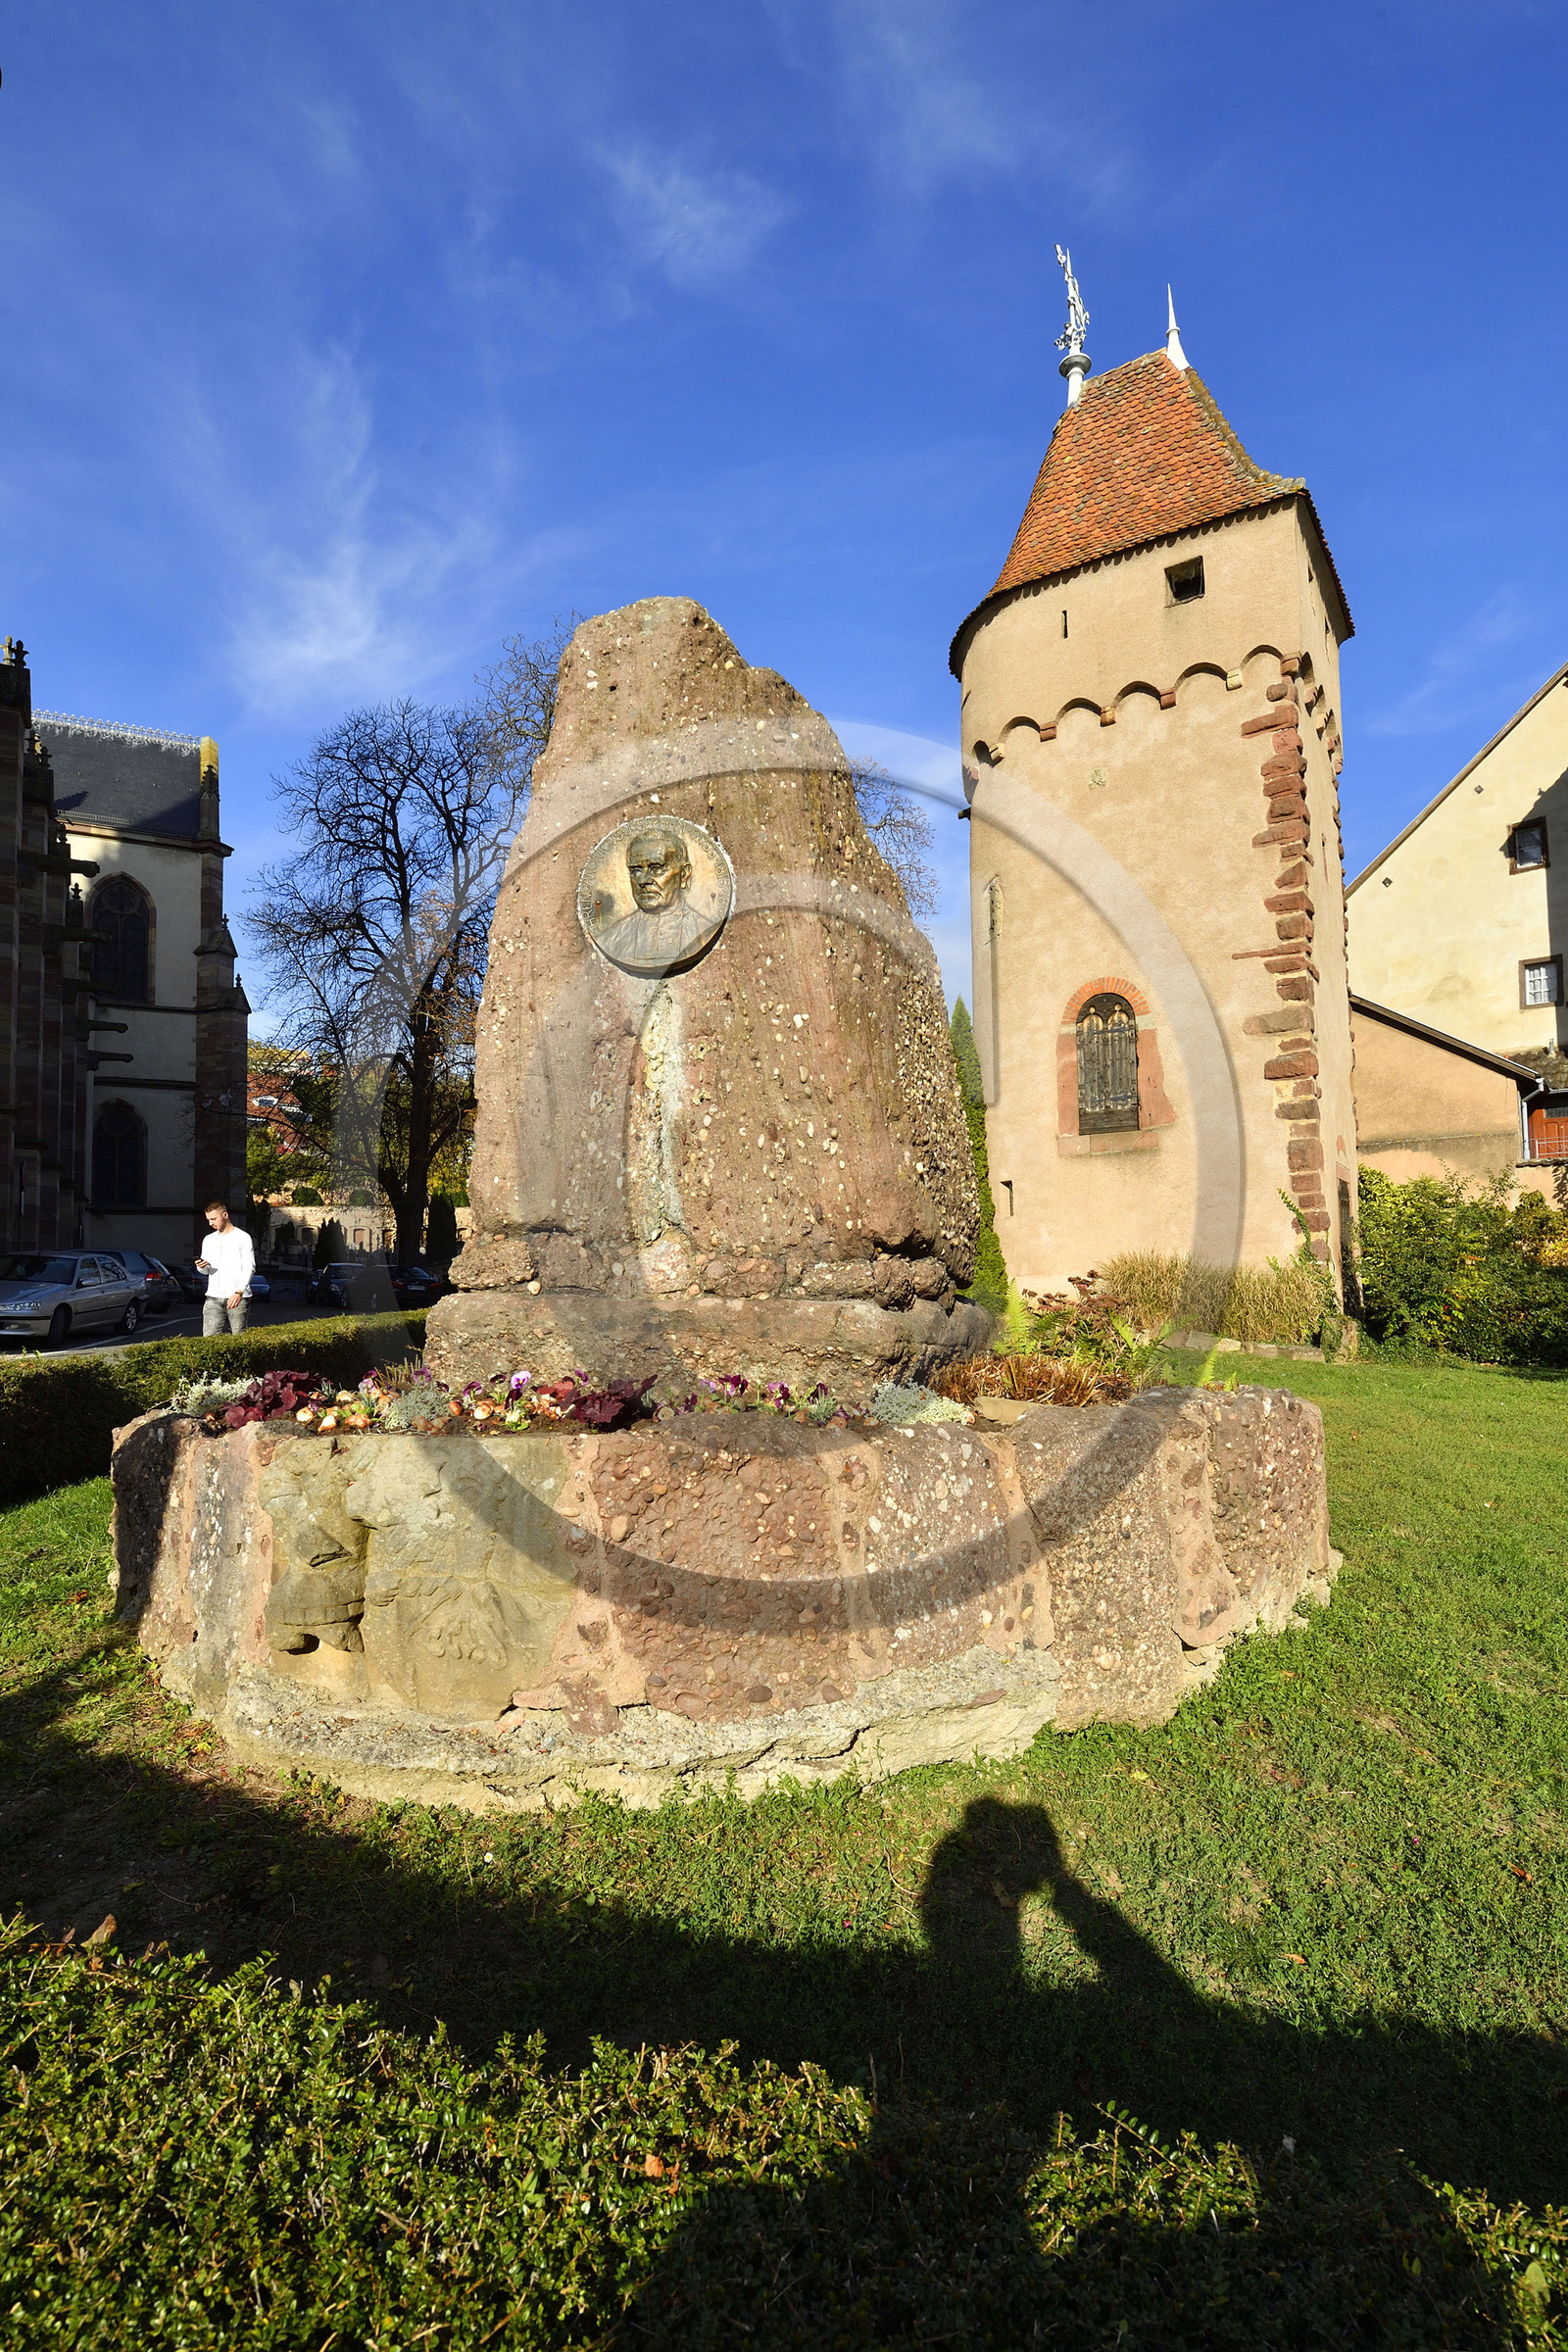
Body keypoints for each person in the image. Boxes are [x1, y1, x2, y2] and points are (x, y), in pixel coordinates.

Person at [598, 826, 721, 972]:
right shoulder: (612, 939)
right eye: (636, 871)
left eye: (656, 869)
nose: (643, 881)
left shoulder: (703, 930)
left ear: (684, 874)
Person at [194, 1200, 255, 1336]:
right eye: (208, 1220)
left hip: (238, 1296)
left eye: (214, 1219)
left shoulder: (243, 1237)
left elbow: (249, 1267)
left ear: (225, 1215)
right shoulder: (208, 1239)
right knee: (209, 1339)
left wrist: (239, 1292)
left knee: (239, 1337)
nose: (211, 1223)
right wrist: (201, 1267)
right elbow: (205, 1272)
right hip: (213, 1296)